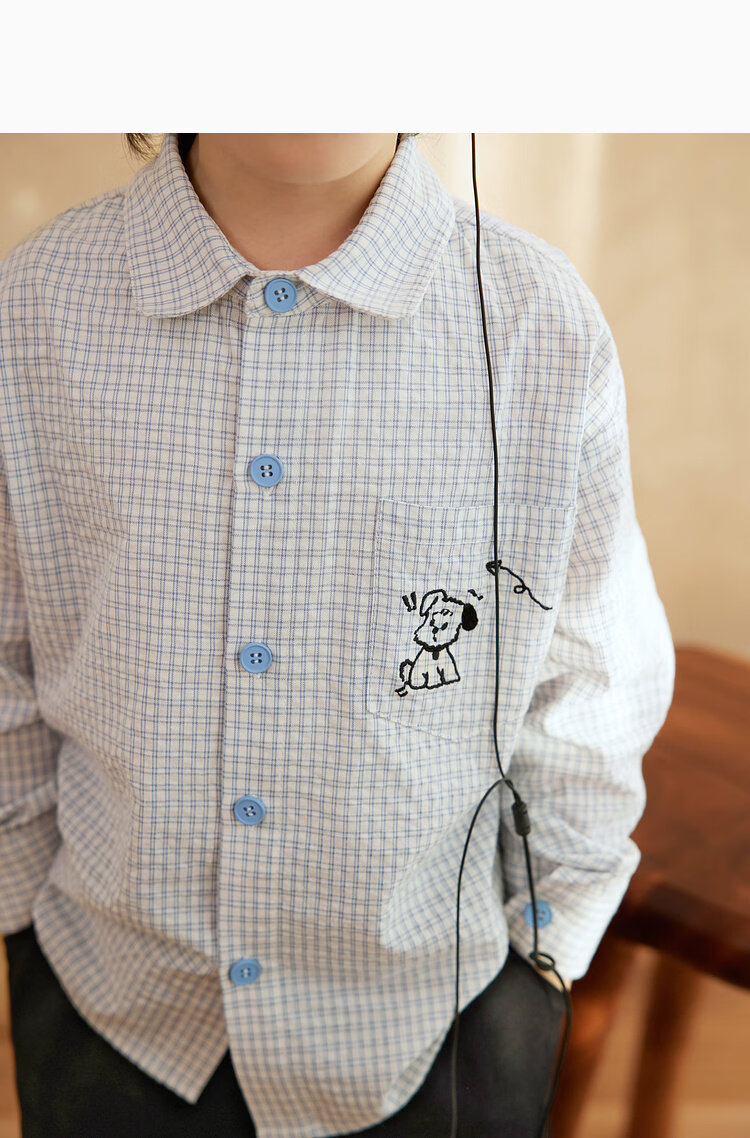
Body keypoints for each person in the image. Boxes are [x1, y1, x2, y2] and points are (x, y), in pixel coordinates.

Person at [0, 132, 675, 1138]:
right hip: (112, 1008)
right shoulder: (37, 305)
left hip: (436, 1024)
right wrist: (18, 903)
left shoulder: (534, 320)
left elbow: (588, 677)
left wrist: (548, 942)